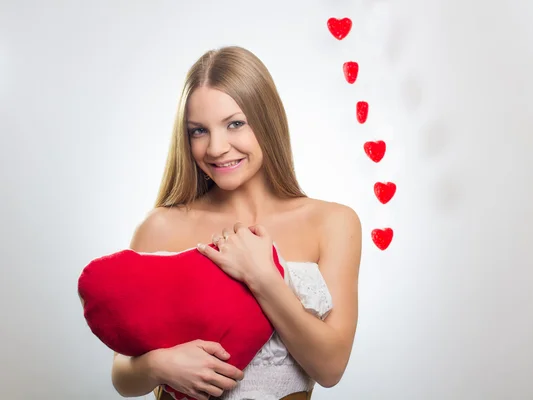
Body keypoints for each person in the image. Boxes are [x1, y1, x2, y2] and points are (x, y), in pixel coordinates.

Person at [110, 45, 362, 400]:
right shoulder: (159, 228)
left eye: (235, 124)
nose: (216, 148)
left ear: (267, 120)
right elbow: (123, 375)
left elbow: (331, 367)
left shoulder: (334, 223)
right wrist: (158, 366)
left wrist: (262, 278)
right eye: (199, 130)